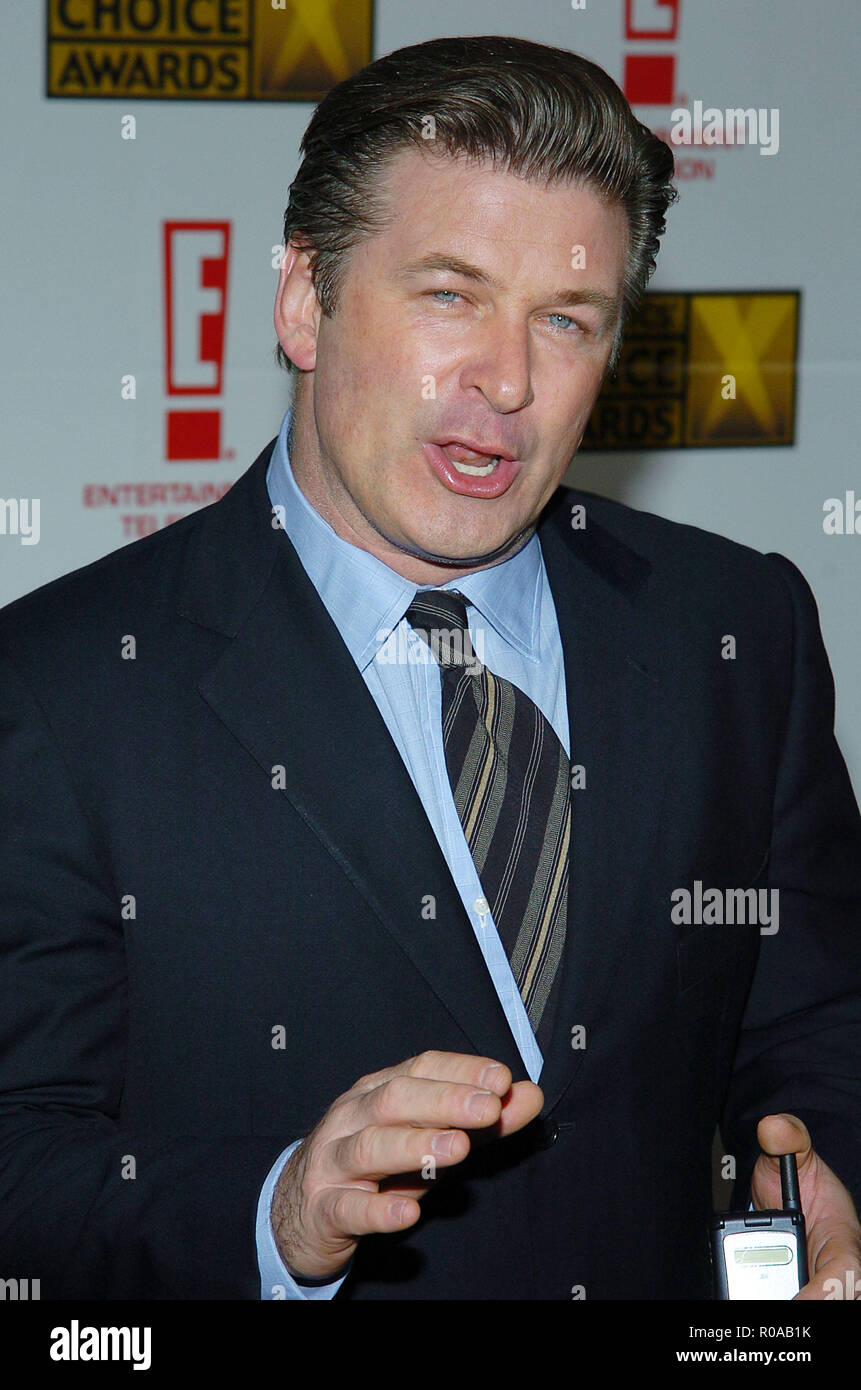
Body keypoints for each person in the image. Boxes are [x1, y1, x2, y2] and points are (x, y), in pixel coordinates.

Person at [1, 35, 860, 1302]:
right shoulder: (60, 688)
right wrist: (280, 1209)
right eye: (449, 294)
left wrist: (822, 1170)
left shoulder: (736, 628)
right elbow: (22, 1166)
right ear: (303, 298)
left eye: (565, 319)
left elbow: (815, 1023)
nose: (506, 381)